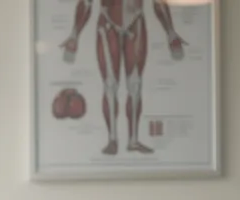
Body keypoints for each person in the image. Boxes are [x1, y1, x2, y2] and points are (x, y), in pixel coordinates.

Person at [60, 0, 188, 156]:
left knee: (135, 85)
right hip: (108, 23)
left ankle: (133, 141)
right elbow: (86, 2)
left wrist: (171, 33)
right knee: (110, 85)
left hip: (136, 21)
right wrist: (75, 35)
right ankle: (112, 140)